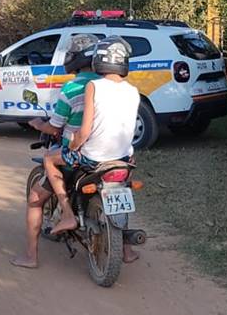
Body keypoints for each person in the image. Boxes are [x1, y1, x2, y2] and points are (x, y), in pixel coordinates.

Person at [11, 33, 101, 269]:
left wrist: (38, 124)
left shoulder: (72, 88)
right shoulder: (109, 85)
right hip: (111, 155)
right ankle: (127, 250)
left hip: (78, 155)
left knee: (35, 199)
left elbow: (55, 127)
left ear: (74, 58)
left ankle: (31, 256)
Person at [46, 37, 140, 260]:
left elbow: (85, 131)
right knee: (121, 190)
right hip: (123, 158)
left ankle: (67, 214)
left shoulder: (93, 86)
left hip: (93, 158)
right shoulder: (133, 90)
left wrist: (74, 145)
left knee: (49, 159)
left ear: (99, 59)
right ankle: (126, 250)